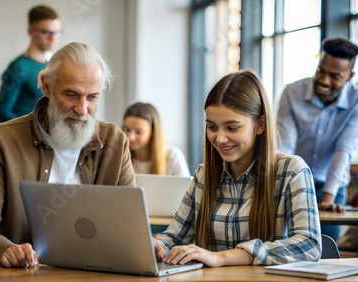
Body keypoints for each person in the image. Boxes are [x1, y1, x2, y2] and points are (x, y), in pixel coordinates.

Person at [0, 42, 136, 268]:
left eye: (92, 97)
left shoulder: (114, 142)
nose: (82, 109)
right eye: (71, 95)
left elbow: (129, 224)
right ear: (47, 86)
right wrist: (3, 248)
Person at [152, 70, 321, 267]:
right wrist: (157, 246)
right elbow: (174, 238)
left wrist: (221, 257)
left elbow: (309, 245)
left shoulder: (292, 171)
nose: (220, 138)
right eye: (212, 127)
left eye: (232, 128)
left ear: (260, 124)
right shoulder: (203, 175)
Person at [277, 37, 358, 241]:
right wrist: (281, 185)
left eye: (335, 76)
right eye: (321, 70)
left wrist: (328, 198)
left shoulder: (356, 101)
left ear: (350, 76)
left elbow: (344, 149)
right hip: (293, 180)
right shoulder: (292, 92)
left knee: (326, 249)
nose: (324, 80)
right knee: (287, 243)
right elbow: (285, 144)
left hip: (331, 185)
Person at [0, 5, 62, 122]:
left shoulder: (51, 65)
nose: (53, 38)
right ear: (31, 31)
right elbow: (2, 112)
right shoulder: (19, 66)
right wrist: (31, 131)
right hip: (27, 138)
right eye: (47, 32)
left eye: (57, 32)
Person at [122, 102, 190, 176]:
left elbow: (185, 187)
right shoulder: (120, 157)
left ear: (153, 132)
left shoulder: (173, 157)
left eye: (139, 132)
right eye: (127, 130)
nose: (131, 137)